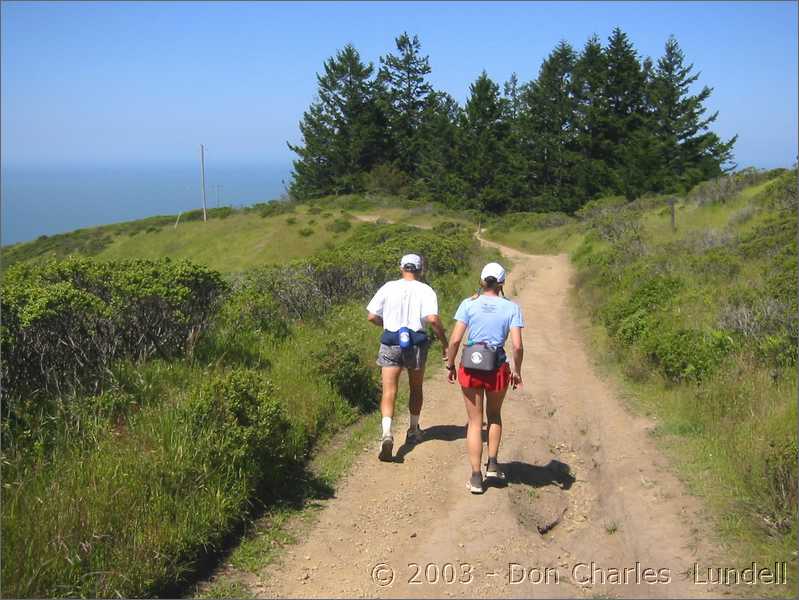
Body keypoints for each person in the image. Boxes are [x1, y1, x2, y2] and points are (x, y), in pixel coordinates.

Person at [446, 262, 524, 494]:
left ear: (481, 281)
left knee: (474, 421)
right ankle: (492, 464)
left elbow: (455, 341)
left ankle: (476, 477)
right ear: (501, 283)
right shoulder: (511, 308)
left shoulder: (468, 304)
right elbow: (518, 346)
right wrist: (517, 371)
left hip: (470, 366)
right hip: (497, 366)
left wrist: (450, 364)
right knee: (494, 415)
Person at [367, 253, 448, 461]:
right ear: (420, 270)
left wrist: (385, 325)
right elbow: (432, 319)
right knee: (416, 387)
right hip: (416, 344)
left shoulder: (388, 287)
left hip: (391, 342)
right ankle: (413, 430)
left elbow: (372, 316)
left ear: (401, 267)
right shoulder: (426, 290)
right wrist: (444, 341)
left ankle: (386, 432)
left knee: (389, 390)